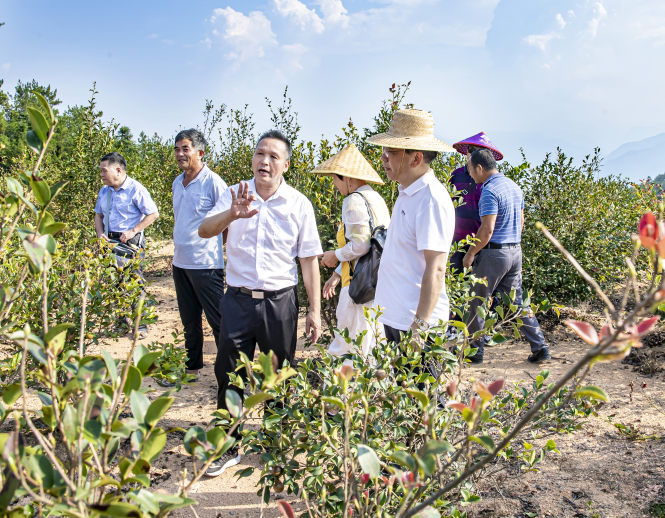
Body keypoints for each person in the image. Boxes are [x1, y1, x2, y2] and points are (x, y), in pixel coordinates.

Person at [198, 129, 323, 477]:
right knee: (229, 373)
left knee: (278, 377)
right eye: (259, 154)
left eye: (272, 156)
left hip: (279, 303)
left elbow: (309, 259)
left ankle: (275, 444)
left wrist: (314, 312)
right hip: (237, 300)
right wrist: (232, 215)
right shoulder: (234, 193)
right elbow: (205, 231)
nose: (264, 161)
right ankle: (228, 445)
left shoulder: (299, 204)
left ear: (285, 164)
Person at [366, 109, 456, 344]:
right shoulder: (407, 192)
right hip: (398, 318)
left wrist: (421, 325)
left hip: (416, 326)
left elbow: (436, 268)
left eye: (391, 152)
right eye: (384, 151)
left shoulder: (431, 199)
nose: (383, 157)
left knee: (417, 382)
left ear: (416, 158)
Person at [463, 148, 551, 364]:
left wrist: (471, 253)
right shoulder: (514, 187)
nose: (471, 175)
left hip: (495, 253)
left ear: (480, 168)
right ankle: (540, 347)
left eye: (471, 170)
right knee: (518, 303)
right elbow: (521, 222)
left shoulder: (489, 191)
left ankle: (475, 352)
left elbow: (487, 230)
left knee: (477, 300)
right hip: (515, 250)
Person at [312, 144, 391, 360]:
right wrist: (338, 273)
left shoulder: (353, 200)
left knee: (346, 344)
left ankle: (339, 392)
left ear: (346, 177)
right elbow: (370, 246)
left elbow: (360, 246)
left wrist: (333, 255)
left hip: (358, 287)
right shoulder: (375, 199)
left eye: (335, 179)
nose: (335, 185)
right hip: (375, 284)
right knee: (371, 344)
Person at [171, 129, 228, 384]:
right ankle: (192, 368)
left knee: (219, 321)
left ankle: (229, 374)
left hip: (205, 265)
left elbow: (228, 220)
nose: (180, 154)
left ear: (200, 152)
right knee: (189, 319)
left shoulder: (213, 182)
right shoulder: (177, 182)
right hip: (179, 262)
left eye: (185, 148)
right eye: (177, 149)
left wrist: (215, 248)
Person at [94, 151, 159, 339]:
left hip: (130, 242)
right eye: (100, 171)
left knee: (134, 282)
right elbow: (98, 215)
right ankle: (121, 323)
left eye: (104, 171)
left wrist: (133, 230)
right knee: (115, 283)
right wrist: (100, 235)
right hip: (109, 241)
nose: (101, 175)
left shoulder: (135, 189)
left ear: (118, 170)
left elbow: (153, 214)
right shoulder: (104, 191)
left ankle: (141, 324)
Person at [449, 132, 504, 274]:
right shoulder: (456, 175)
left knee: (477, 288)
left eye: (478, 151)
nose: (472, 154)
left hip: (481, 243)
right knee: (456, 285)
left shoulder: (491, 181)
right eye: (471, 150)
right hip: (457, 242)